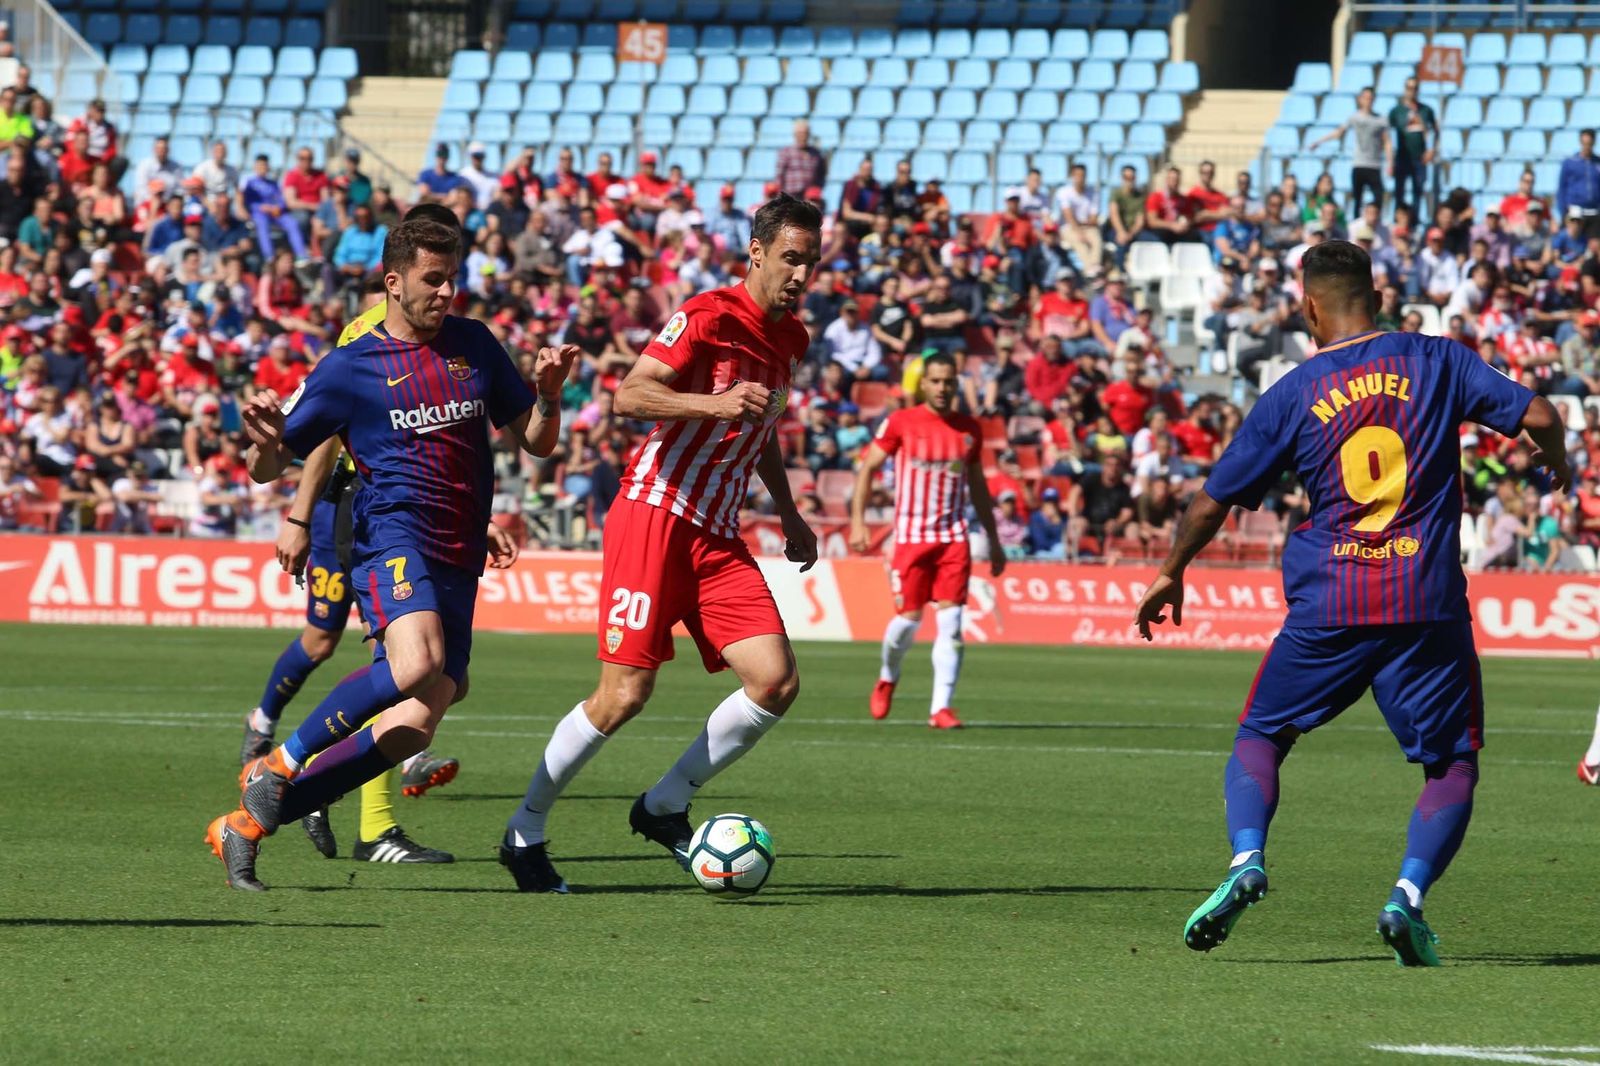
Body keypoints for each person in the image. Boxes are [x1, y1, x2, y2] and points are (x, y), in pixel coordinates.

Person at [1134, 240, 1570, 966]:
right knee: (1452, 765)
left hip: (1330, 601)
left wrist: (1171, 570)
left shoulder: (1295, 391)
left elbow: (1213, 502)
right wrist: (1551, 454)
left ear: (1310, 305)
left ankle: (1248, 861)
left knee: (1262, 736)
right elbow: (1544, 414)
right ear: (1377, 292)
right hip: (1425, 600)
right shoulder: (1439, 359)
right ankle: (1407, 896)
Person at [204, 215, 579, 890]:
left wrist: (548, 397)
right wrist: (264, 444)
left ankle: (250, 823)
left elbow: (538, 441)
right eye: (433, 280)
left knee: (419, 717)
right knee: (418, 662)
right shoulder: (351, 367)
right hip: (391, 536)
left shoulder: (475, 345)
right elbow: (272, 463)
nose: (446, 292)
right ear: (394, 282)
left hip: (458, 549)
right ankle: (278, 762)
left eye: (452, 278)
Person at [497, 194, 823, 894]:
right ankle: (524, 832)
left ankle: (664, 805)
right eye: (791, 258)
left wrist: (790, 513)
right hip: (654, 515)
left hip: (716, 531)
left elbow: (758, 430)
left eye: (811, 263)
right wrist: (713, 402)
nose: (800, 274)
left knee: (776, 681)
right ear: (759, 253)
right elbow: (629, 394)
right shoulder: (707, 315)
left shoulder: (791, 339)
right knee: (623, 695)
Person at [848, 352, 1004, 729]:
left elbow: (979, 487)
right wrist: (858, 521)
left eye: (948, 381)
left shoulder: (969, 429)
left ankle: (941, 708)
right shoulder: (901, 422)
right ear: (923, 383)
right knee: (908, 622)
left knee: (951, 623)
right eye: (935, 381)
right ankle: (888, 676)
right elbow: (868, 468)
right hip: (911, 538)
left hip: (953, 538)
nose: (942, 388)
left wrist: (994, 539)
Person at [1309, 87, 1390, 217]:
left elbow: (1387, 141)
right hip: (1359, 163)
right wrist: (1319, 141)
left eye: (1370, 98)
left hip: (1374, 164)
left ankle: (1376, 223)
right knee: (1357, 199)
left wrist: (1390, 163)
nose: (1368, 101)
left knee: (1378, 197)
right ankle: (1356, 226)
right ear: (1360, 99)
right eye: (1365, 98)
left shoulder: (1380, 120)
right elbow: (1338, 133)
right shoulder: (1355, 117)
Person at [1388, 77, 1438, 215]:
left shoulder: (1426, 110)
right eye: (1409, 88)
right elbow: (1388, 134)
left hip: (1419, 158)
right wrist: (1390, 159)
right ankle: (1399, 220)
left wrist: (1431, 149)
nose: (1412, 92)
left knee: (1418, 191)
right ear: (1405, 90)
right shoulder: (1396, 111)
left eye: (1415, 88)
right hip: (1402, 157)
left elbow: (1435, 130)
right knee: (1399, 191)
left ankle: (1414, 222)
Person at [1556, 128, 1600, 241]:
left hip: (1594, 212)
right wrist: (1563, 212)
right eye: (1584, 143)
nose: (1586, 147)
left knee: (1594, 247)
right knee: (1572, 245)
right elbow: (1562, 189)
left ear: (1593, 143)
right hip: (1575, 212)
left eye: (1589, 143)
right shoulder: (1570, 163)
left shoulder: (1597, 163)